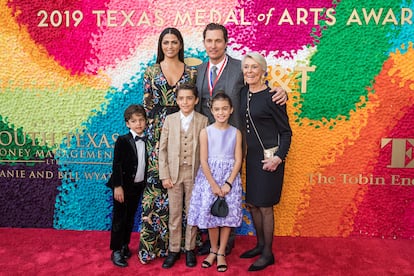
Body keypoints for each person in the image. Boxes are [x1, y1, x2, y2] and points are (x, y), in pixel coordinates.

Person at [195, 22, 288, 256]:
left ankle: (229, 241)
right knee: (211, 189)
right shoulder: (198, 71)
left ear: (226, 43)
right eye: (209, 40)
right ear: (204, 43)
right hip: (209, 143)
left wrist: (282, 91)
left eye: (218, 40)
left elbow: (260, 88)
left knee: (234, 188)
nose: (213, 45)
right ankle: (212, 239)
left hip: (236, 145)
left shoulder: (240, 68)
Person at [138, 27, 196, 264]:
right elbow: (147, 104)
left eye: (174, 42)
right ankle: (157, 245)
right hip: (159, 132)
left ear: (180, 45)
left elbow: (195, 103)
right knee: (159, 187)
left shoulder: (191, 72)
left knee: (186, 186)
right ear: (160, 46)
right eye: (166, 42)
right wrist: (151, 137)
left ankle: (187, 245)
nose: (170, 46)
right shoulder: (151, 71)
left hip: (185, 130)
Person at [239, 52, 292, 271]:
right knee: (253, 203)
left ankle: (268, 253)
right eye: (246, 67)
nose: (249, 71)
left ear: (263, 71)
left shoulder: (274, 96)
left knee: (266, 206)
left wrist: (279, 158)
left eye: (254, 67)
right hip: (251, 158)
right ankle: (259, 245)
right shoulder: (242, 93)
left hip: (271, 158)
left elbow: (286, 132)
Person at [188, 92, 243, 272]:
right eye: (217, 109)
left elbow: (238, 160)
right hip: (209, 179)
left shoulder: (236, 133)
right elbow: (203, 160)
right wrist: (213, 184)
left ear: (231, 110)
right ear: (211, 111)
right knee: (211, 216)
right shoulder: (206, 132)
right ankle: (212, 249)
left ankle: (221, 252)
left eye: (225, 109)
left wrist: (228, 183)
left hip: (229, 179)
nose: (221, 113)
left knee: (226, 217)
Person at [158, 83, 208, 268]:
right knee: (175, 214)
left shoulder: (203, 121)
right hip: (173, 174)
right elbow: (162, 150)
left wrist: (203, 178)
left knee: (192, 213)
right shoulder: (170, 120)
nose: (185, 102)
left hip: (194, 174)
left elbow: (206, 152)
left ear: (195, 100)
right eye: (181, 98)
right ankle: (173, 249)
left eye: (189, 98)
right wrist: (164, 175)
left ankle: (189, 249)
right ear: (176, 100)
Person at [106, 104, 148, 267]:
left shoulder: (148, 140)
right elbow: (116, 165)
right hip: (122, 188)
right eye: (134, 121)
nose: (138, 124)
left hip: (137, 187)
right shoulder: (122, 141)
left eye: (141, 120)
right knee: (119, 219)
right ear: (127, 124)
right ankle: (116, 250)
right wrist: (118, 187)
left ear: (145, 122)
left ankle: (124, 245)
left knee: (130, 218)